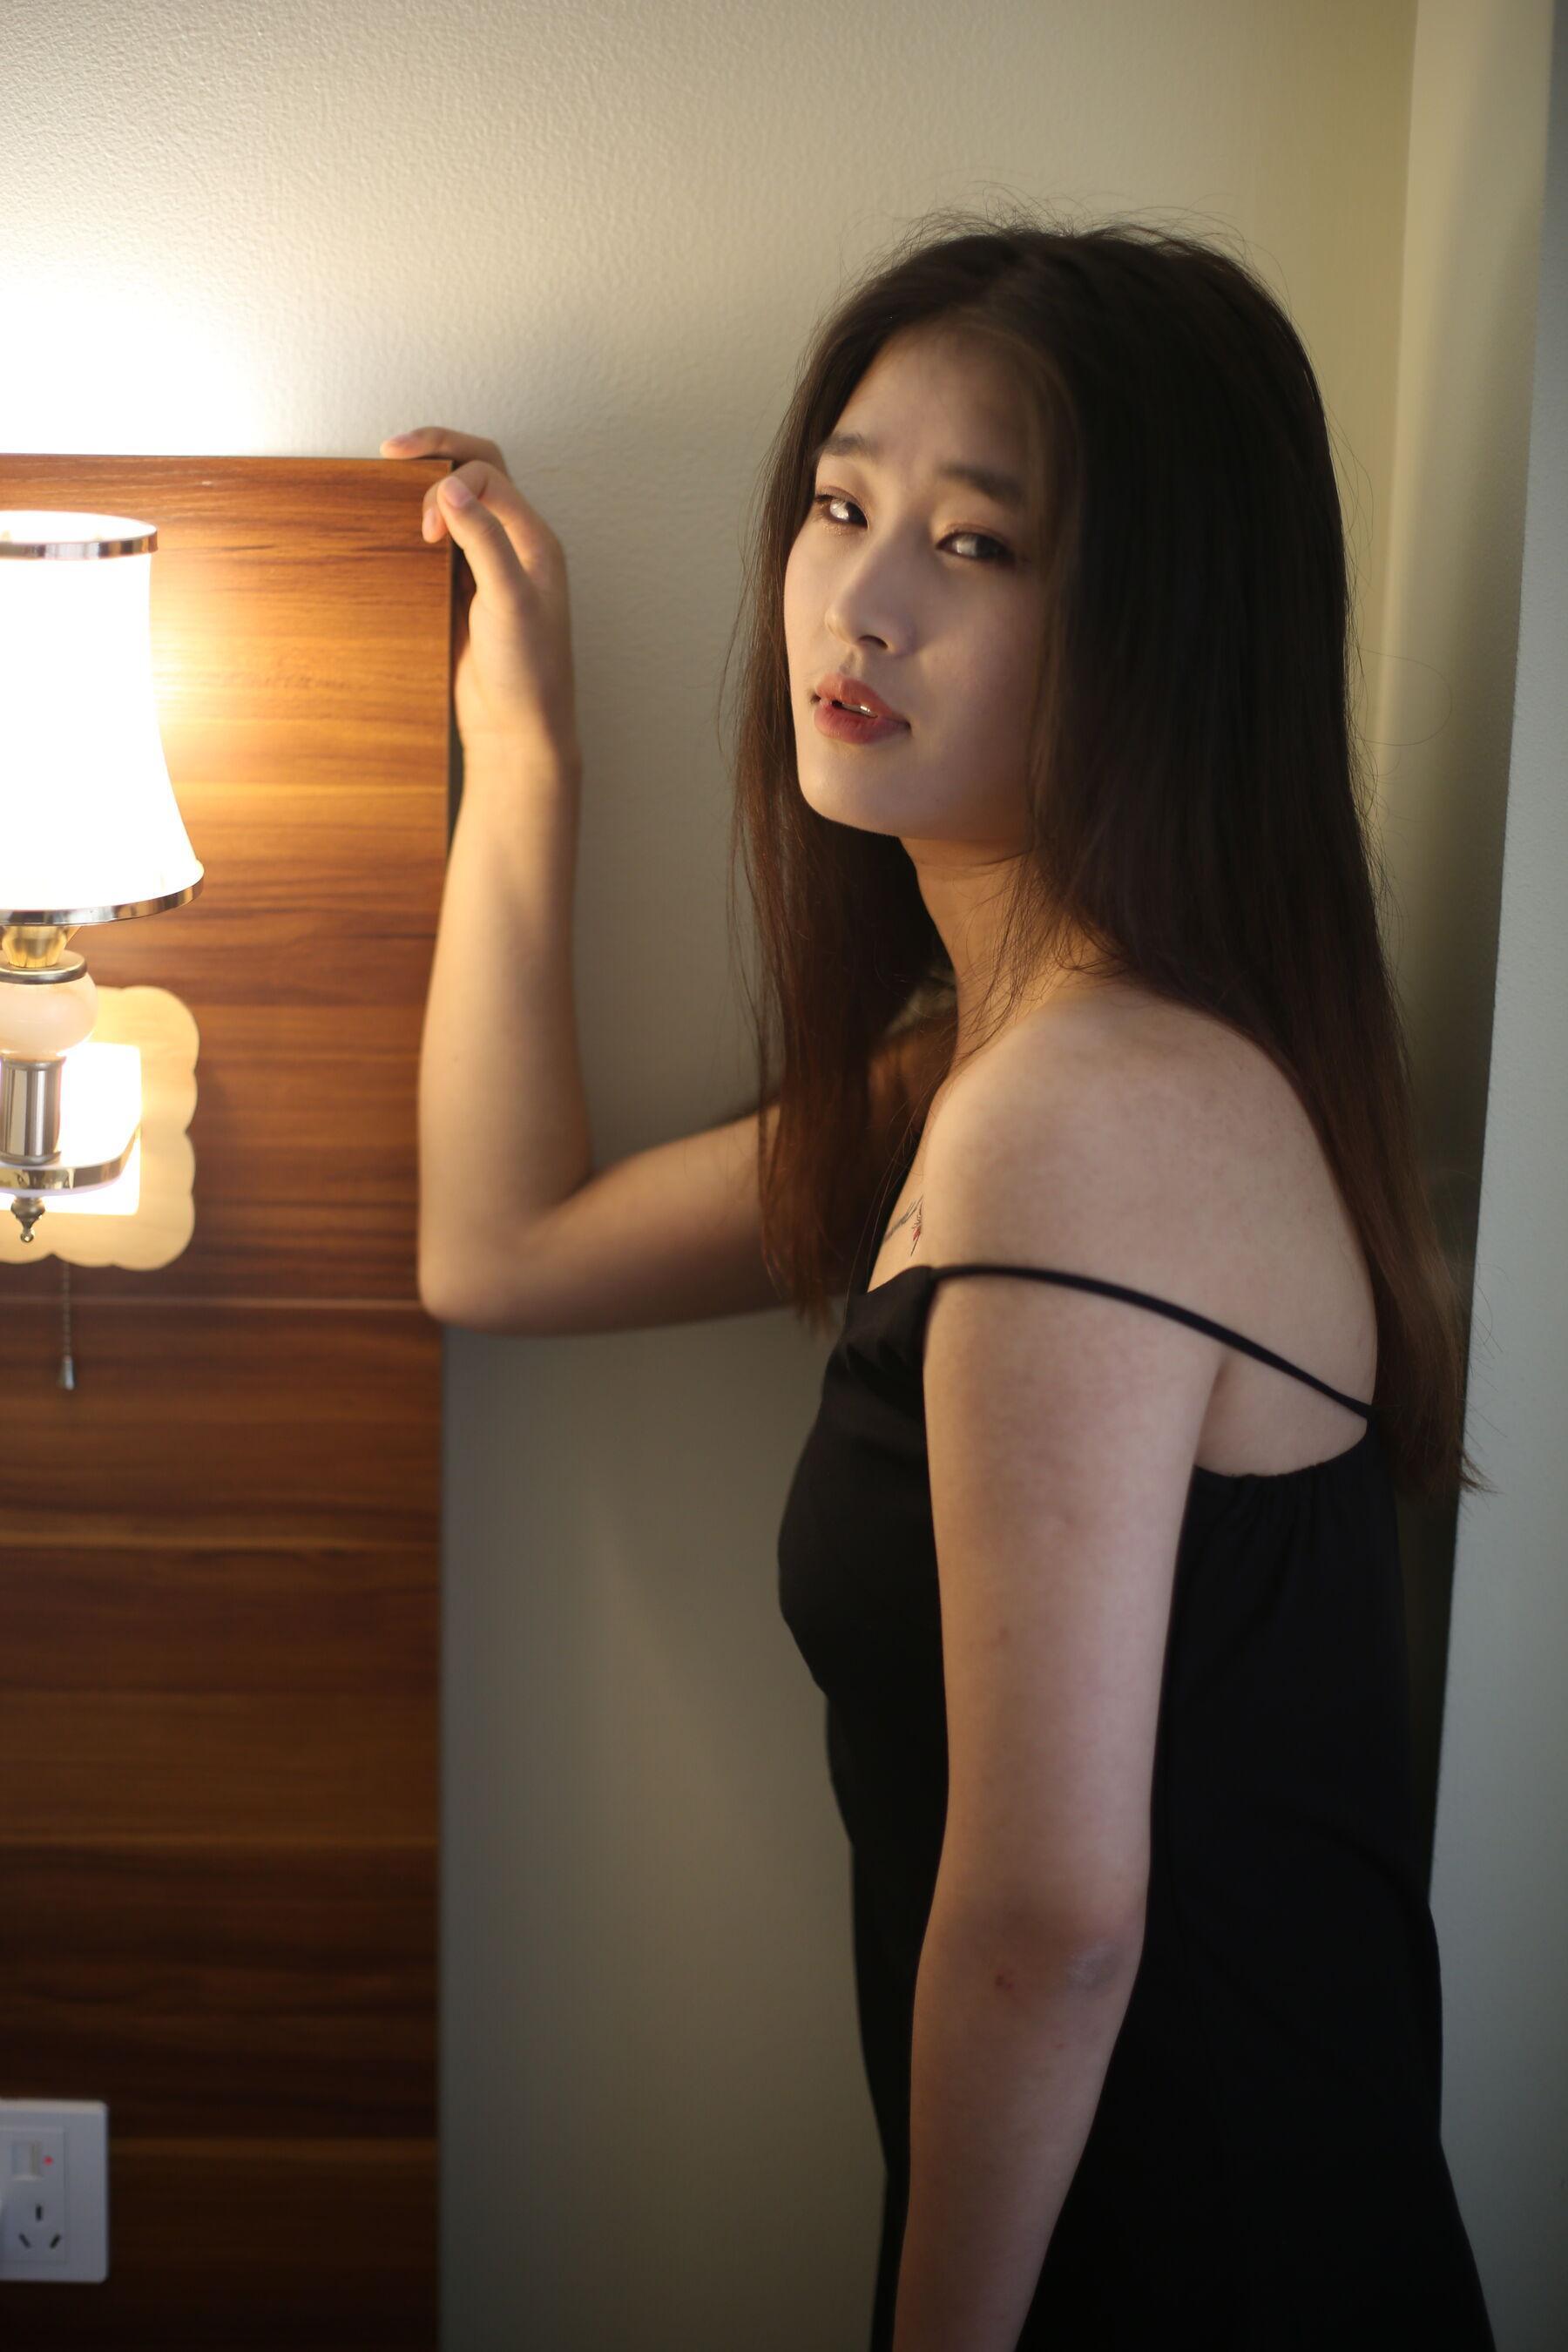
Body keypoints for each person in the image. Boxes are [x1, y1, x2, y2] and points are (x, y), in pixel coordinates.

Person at [385, 204, 1496, 2350]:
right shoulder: (992, 1078)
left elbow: (1050, 1924)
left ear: (1166, 636)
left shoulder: (1088, 1121)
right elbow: (498, 1249)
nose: (863, 599)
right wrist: (523, 752)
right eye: (840, 506)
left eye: (977, 544)